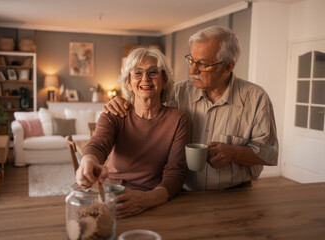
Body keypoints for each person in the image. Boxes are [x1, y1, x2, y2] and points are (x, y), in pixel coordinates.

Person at [103, 26, 279, 191]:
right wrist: (123, 102)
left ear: (228, 66)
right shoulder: (179, 92)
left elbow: (269, 154)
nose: (192, 71)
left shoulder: (256, 99)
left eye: (202, 64)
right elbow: (149, 110)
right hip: (183, 193)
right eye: (191, 61)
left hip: (234, 194)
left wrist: (234, 153)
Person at [76, 47, 191, 218]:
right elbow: (99, 143)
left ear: (164, 79)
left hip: (151, 198)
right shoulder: (115, 113)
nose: (145, 78)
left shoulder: (179, 120)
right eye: (137, 73)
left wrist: (148, 199)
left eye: (153, 72)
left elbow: (176, 172)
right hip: (110, 194)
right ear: (129, 82)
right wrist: (88, 160)